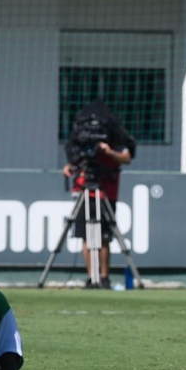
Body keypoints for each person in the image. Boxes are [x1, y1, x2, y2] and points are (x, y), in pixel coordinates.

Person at [62, 100, 136, 289]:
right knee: (85, 236)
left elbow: (127, 157)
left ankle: (103, 278)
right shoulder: (80, 140)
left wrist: (109, 152)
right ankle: (91, 277)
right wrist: (71, 166)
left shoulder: (115, 138)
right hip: (83, 191)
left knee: (103, 237)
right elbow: (75, 159)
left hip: (105, 193)